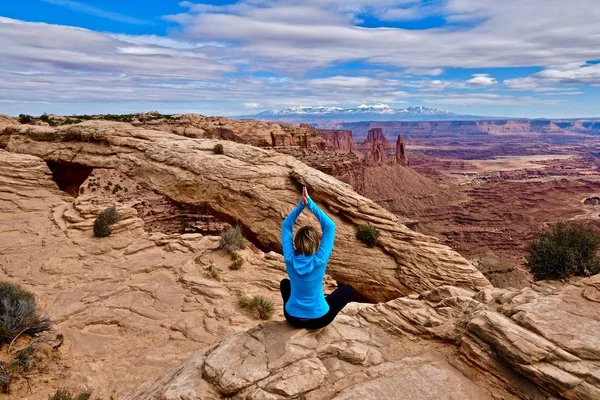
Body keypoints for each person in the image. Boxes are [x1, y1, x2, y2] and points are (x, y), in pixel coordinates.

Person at [280, 186, 353, 329]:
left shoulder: (289, 258)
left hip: (292, 318)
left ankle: (301, 306)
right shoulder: (320, 259)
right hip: (320, 319)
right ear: (316, 242)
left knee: (285, 283)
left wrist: (300, 206)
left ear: (296, 242)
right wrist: (310, 204)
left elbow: (286, 226)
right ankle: (315, 304)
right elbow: (330, 226)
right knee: (347, 290)